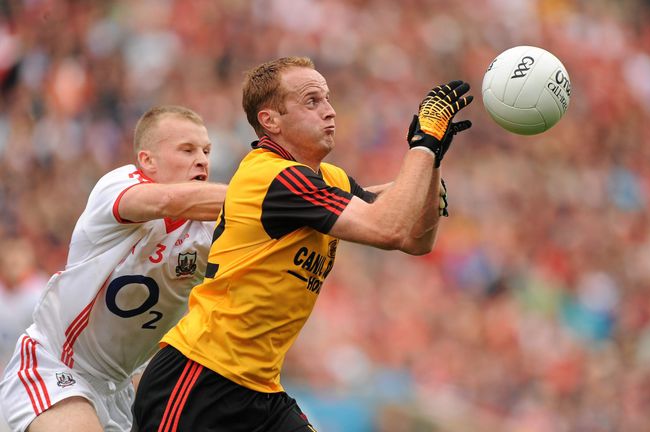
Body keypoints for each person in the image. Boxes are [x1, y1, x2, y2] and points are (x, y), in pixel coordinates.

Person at [131, 56, 472, 431]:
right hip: (199, 379)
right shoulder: (272, 175)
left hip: (260, 389)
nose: (330, 112)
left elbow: (413, 238)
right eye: (312, 102)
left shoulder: (329, 179)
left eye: (327, 99)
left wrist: (433, 157)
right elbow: (388, 228)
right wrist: (422, 145)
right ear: (270, 121)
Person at [0, 105, 228, 432]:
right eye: (187, 149)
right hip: (56, 367)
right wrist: (264, 196)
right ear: (148, 161)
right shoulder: (119, 185)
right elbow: (167, 202)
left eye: (206, 150)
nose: (202, 159)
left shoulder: (208, 230)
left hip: (119, 389)